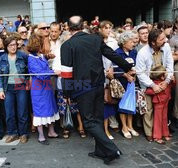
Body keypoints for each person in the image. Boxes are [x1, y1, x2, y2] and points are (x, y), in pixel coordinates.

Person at [60, 16, 134, 164]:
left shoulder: (67, 45)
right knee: (98, 119)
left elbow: (66, 73)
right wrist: (128, 67)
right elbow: (111, 54)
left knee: (88, 122)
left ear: (68, 28)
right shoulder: (95, 39)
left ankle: (111, 149)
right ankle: (101, 151)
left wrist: (67, 93)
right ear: (83, 26)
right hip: (98, 84)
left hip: (82, 86)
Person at [136, 29, 174, 142]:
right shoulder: (142, 53)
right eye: (161, 39)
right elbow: (140, 73)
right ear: (153, 42)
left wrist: (166, 81)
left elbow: (170, 64)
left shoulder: (166, 47)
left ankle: (162, 132)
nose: (165, 40)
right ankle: (149, 132)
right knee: (149, 109)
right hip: (148, 83)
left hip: (163, 82)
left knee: (163, 110)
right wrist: (152, 85)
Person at [27, 34, 60, 145]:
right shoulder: (31, 59)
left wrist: (47, 56)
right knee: (40, 111)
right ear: (38, 44)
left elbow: (42, 60)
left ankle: (51, 131)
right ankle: (41, 135)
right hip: (38, 89)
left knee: (51, 108)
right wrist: (53, 72)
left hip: (47, 87)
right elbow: (40, 74)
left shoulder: (40, 55)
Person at [0, 36, 29, 144]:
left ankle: (23, 133)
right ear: (6, 47)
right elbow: (0, 75)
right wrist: (1, 90)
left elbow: (29, 71)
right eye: (10, 45)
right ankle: (12, 133)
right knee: (9, 112)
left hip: (20, 85)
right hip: (8, 87)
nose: (13, 47)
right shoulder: (2, 58)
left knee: (22, 111)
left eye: (15, 44)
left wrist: (27, 82)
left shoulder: (23, 56)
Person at [114, 31, 139, 139]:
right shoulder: (117, 53)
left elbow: (138, 64)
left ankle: (130, 126)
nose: (133, 43)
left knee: (131, 104)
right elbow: (115, 69)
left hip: (132, 82)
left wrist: (134, 72)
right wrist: (125, 75)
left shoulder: (134, 52)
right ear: (124, 42)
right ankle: (124, 127)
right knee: (123, 104)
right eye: (130, 41)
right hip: (122, 82)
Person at [145, 65, 174, 144]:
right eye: (165, 74)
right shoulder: (154, 83)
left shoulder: (166, 82)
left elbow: (172, 86)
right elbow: (148, 91)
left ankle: (165, 133)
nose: (167, 75)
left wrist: (173, 80)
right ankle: (157, 136)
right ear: (161, 76)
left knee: (164, 118)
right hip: (159, 103)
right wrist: (157, 89)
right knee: (158, 119)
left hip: (166, 102)